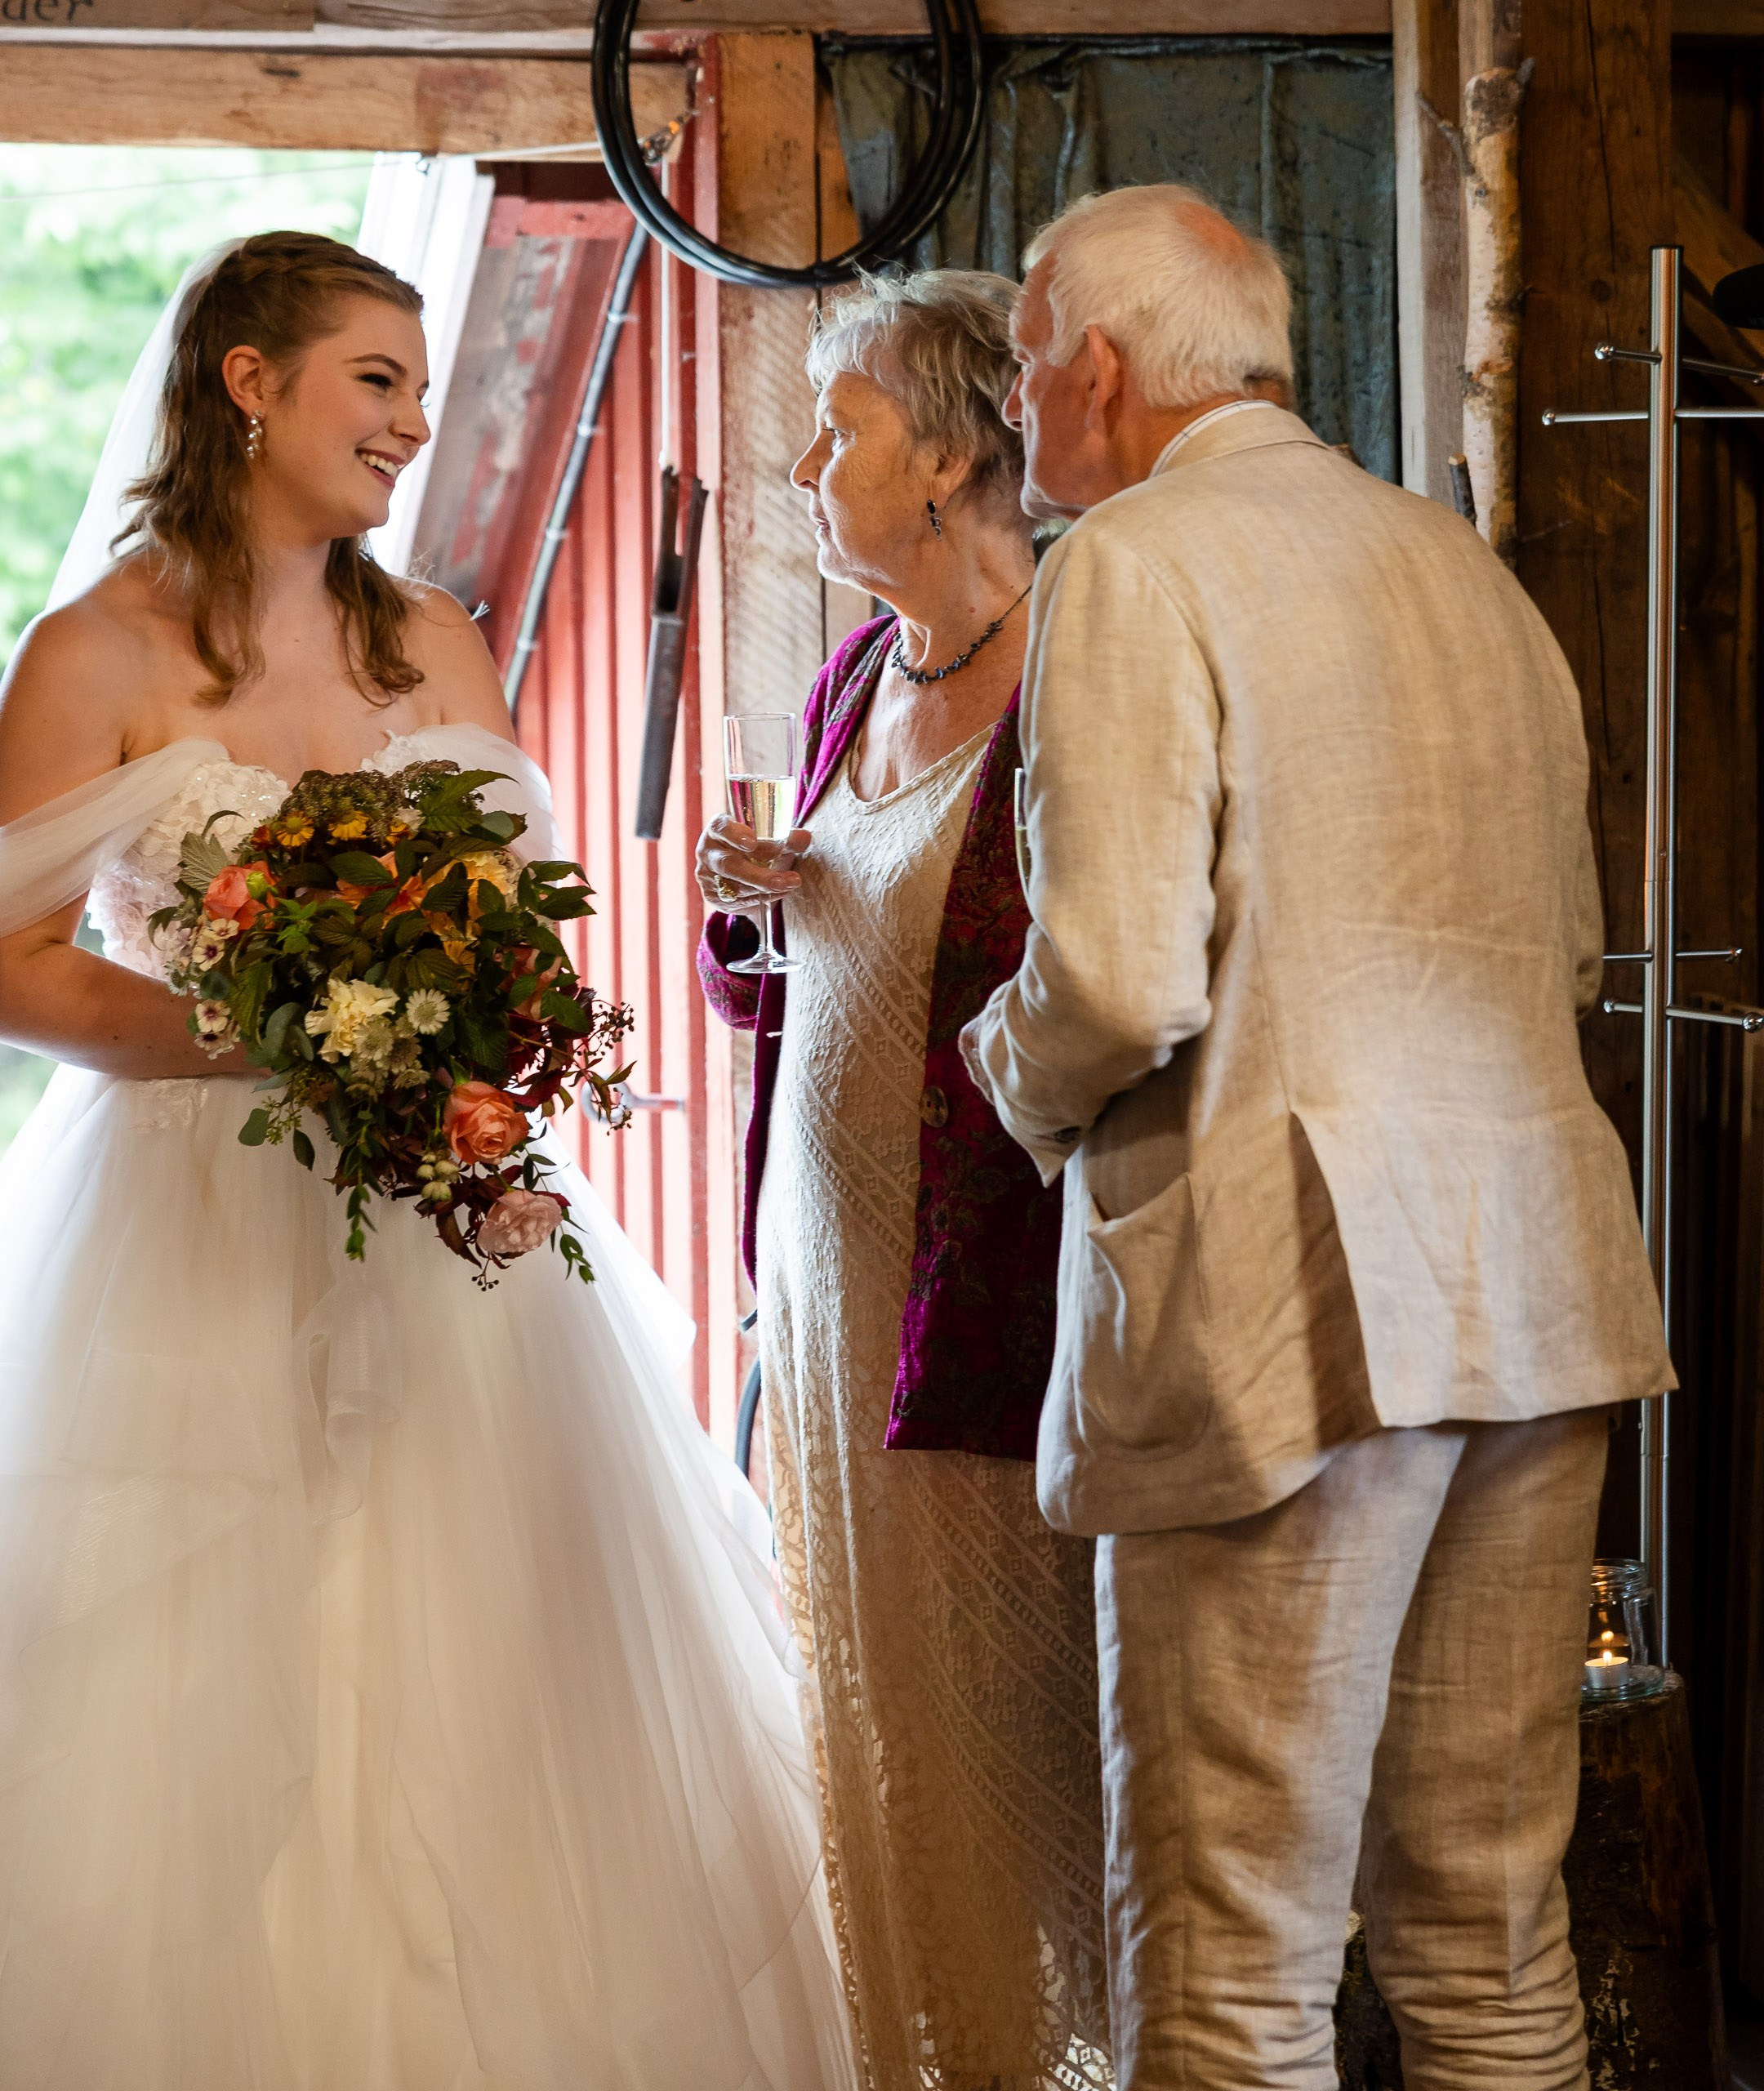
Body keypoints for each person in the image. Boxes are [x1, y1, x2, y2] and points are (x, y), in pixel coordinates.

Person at [0, 232, 856, 2091]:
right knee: (207, 1661)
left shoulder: (435, 639)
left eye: (422, 389)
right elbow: (14, 965)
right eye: (376, 380)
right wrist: (263, 1039)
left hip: (448, 1227)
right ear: (249, 381)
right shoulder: (98, 652)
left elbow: (517, 940)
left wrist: (462, 1057)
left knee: (484, 1674)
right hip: (192, 1224)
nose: (412, 422)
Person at [961, 185, 1674, 2091]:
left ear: (1096, 369)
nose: (1019, 408)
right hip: (1533, 1279)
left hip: (1293, 1307)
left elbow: (1115, 979)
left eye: (1023, 362)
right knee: (1489, 1935)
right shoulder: (1464, 570)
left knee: (1232, 1963)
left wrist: (999, 1075)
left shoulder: (1133, 561)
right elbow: (1578, 944)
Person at [696, 270, 1111, 2091]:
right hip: (827, 1275)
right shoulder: (859, 669)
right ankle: (938, 2061)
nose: (805, 461)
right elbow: (799, 978)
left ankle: (1085, 2057)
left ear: (950, 458)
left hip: (997, 1297)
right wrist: (753, 901)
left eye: (841, 425)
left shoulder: (1086, 673)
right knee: (883, 1730)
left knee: (1027, 1718)